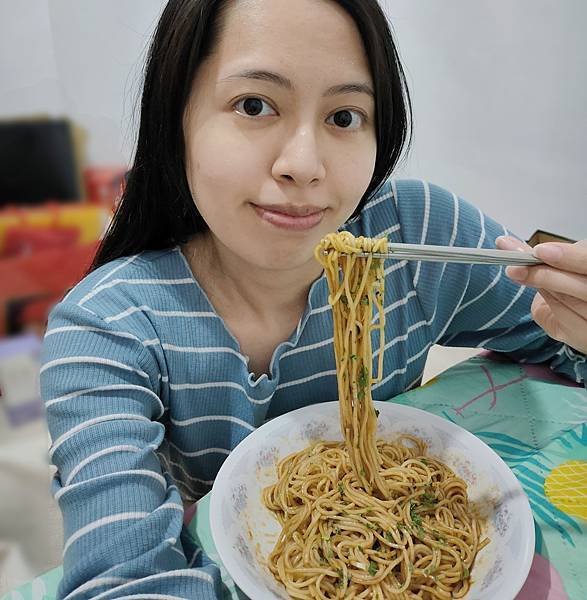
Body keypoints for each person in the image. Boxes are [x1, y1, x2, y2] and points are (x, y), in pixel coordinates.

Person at [40, 0, 587, 597]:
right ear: (175, 118)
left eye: (346, 116)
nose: (303, 165)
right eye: (254, 106)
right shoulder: (104, 329)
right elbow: (122, 580)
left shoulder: (418, 233)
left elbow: (558, 344)